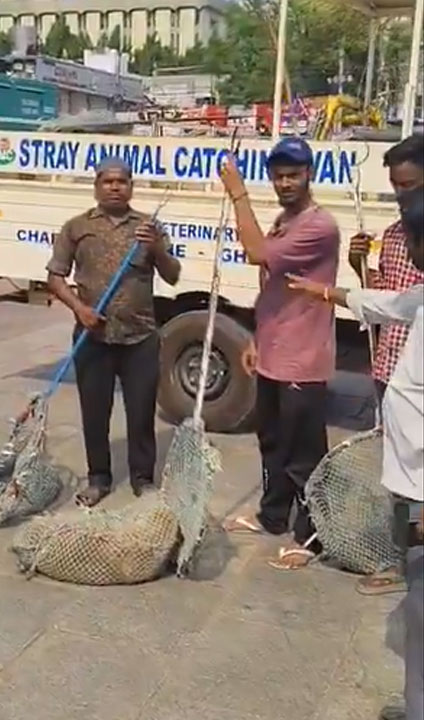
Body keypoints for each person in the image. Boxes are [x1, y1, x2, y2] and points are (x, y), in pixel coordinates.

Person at [283, 193, 423, 720]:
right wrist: (323, 290)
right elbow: (384, 304)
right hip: (411, 491)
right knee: (414, 611)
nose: (405, 248)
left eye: (411, 242)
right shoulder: (423, 295)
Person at [219, 137, 342, 570]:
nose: (286, 182)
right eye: (279, 175)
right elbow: (271, 285)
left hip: (302, 363)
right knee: (271, 442)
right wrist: (257, 337)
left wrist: (237, 192)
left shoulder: (318, 226)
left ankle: (312, 536)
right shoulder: (283, 221)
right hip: (273, 353)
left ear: (310, 174)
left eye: (294, 174)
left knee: (304, 456)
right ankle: (273, 516)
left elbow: (255, 252)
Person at [45, 157, 182, 507]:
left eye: (122, 181)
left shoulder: (149, 227)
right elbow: (55, 277)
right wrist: (80, 310)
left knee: (140, 413)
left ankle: (143, 479)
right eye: (108, 181)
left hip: (141, 337)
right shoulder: (76, 227)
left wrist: (155, 247)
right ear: (97, 186)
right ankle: (98, 479)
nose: (115, 187)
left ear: (131, 187)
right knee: (95, 412)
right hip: (94, 338)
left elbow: (172, 275)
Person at [348, 133, 424, 595]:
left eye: (410, 185)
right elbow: (383, 296)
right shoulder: (395, 235)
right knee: (398, 471)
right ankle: (399, 561)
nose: (401, 195)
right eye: (396, 185)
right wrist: (358, 266)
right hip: (393, 365)